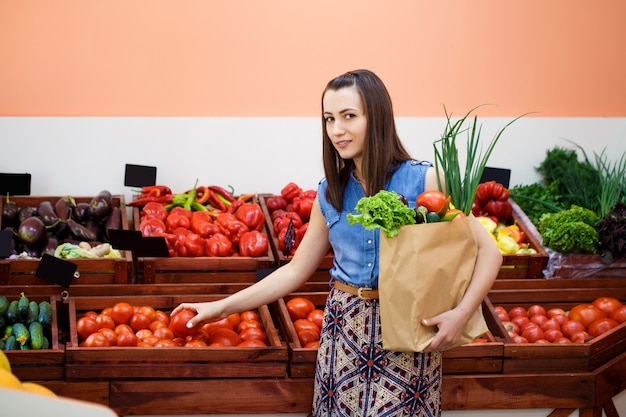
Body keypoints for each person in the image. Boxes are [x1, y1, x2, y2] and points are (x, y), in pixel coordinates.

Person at [171, 69, 502, 416]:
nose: (337, 130)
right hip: (344, 330)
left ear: (377, 118)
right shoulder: (330, 192)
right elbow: (296, 270)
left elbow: (487, 251)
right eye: (329, 119)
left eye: (349, 116)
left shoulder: (425, 178)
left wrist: (460, 315)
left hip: (407, 329)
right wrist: (220, 308)